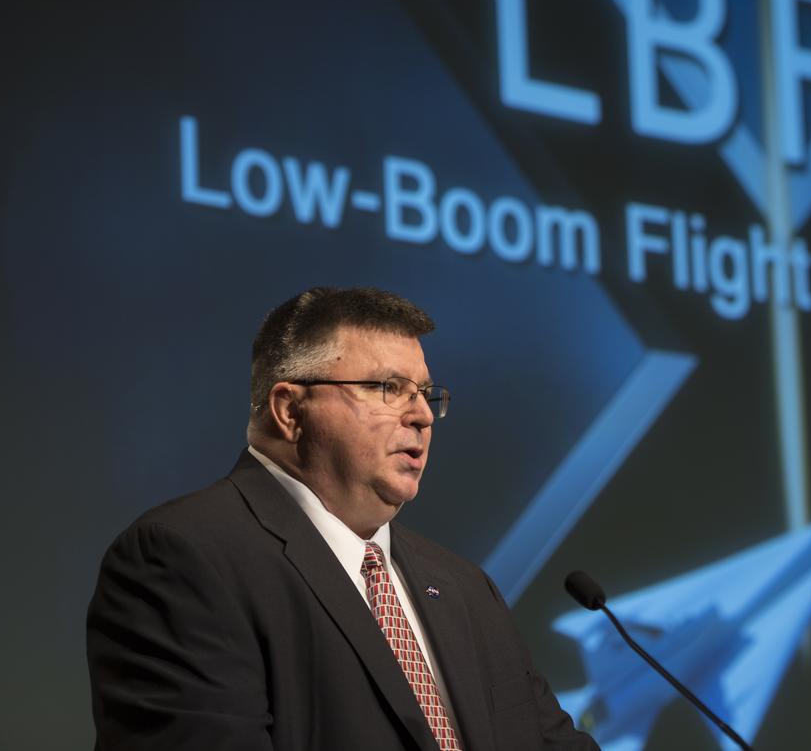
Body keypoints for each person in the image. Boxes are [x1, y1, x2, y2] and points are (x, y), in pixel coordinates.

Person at [86, 286, 599, 750]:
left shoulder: (465, 589)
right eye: (389, 388)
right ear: (290, 411)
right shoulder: (185, 558)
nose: (422, 415)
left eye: (425, 393)